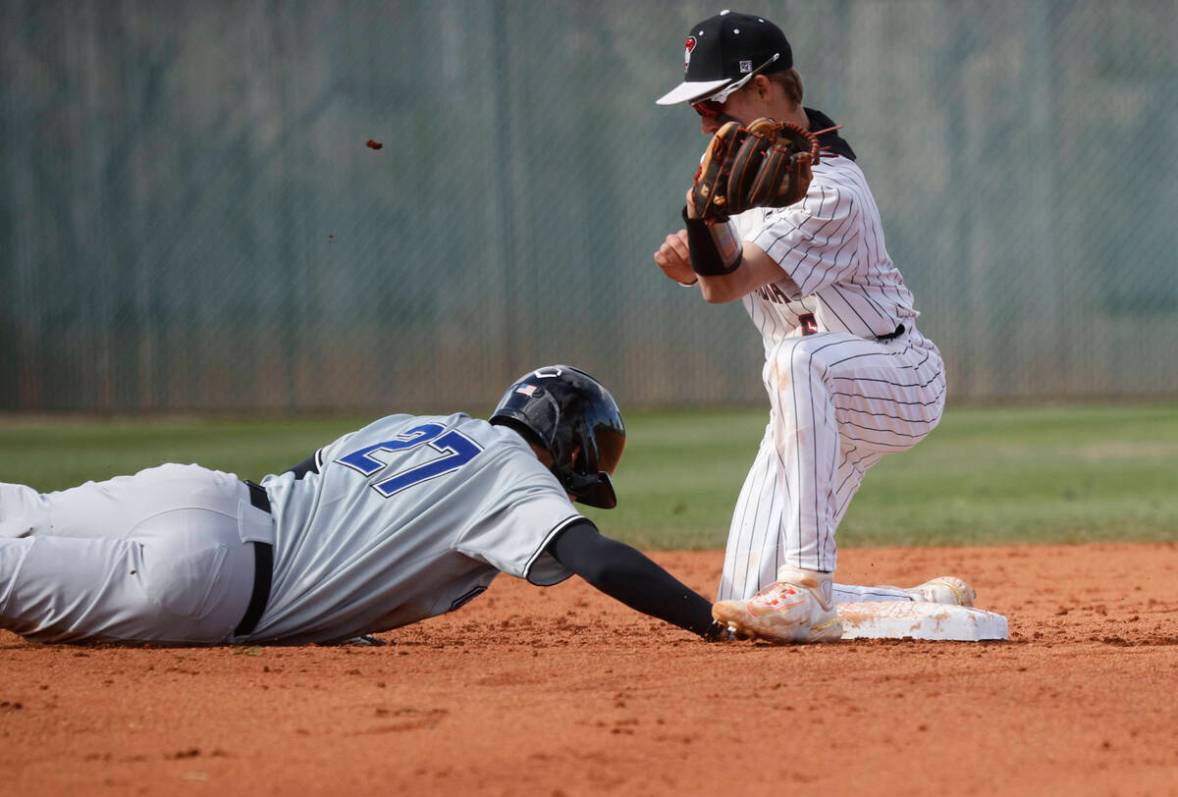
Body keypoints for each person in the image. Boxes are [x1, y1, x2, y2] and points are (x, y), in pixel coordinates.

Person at [0, 366, 737, 645]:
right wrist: (711, 619)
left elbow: (308, 485)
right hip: (212, 583)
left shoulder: (420, 425)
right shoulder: (517, 478)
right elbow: (596, 556)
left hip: (200, 495)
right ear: (567, 441)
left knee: (20, 508)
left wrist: (339, 612)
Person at [653, 12, 956, 642]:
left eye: (714, 105)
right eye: (699, 111)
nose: (706, 122)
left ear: (764, 90)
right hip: (810, 406)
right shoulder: (757, 182)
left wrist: (698, 219)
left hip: (896, 379)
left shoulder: (833, 190)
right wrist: (699, 248)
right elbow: (716, 283)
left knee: (800, 357)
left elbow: (730, 284)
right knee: (742, 603)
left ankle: (812, 584)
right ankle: (914, 600)